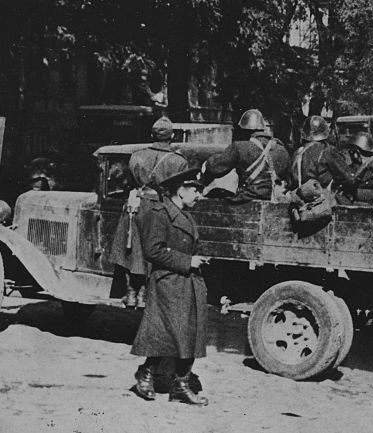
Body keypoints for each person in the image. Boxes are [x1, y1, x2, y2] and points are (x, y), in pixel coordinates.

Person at [129, 168, 210, 405]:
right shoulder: (160, 213)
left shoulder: (184, 214)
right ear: (180, 190)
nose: (198, 195)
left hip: (187, 280)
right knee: (166, 334)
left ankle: (180, 386)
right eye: (195, 190)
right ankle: (146, 374)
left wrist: (196, 259)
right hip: (168, 282)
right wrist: (187, 261)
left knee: (189, 334)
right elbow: (152, 250)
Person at [107, 116, 188, 308]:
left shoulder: (137, 156)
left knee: (131, 249)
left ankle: (131, 293)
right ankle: (144, 293)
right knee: (153, 250)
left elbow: (128, 182)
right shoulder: (178, 161)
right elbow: (179, 190)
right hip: (161, 208)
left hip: (136, 206)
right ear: (173, 136)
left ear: (152, 135)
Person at [204, 109, 291, 201]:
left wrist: (207, 164)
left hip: (247, 198)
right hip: (274, 199)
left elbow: (214, 168)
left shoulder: (240, 147)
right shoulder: (281, 150)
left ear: (244, 131)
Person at [290, 116, 356, 194]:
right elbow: (349, 179)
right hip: (323, 200)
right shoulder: (327, 151)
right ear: (325, 133)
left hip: (300, 199)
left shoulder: (298, 152)